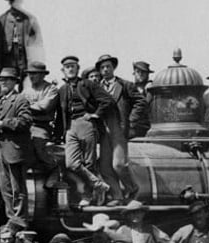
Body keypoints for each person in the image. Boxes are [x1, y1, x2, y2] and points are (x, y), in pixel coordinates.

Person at [58, 55, 113, 206]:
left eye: (73, 66)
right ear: (63, 70)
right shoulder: (62, 89)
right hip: (70, 126)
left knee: (89, 163)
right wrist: (58, 134)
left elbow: (107, 100)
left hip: (86, 123)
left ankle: (87, 196)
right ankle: (98, 184)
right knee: (71, 163)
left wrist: (95, 114)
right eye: (67, 67)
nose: (70, 69)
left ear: (77, 69)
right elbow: (60, 113)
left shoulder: (87, 84)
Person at [95, 54, 143, 203]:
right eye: (102, 67)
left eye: (108, 66)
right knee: (105, 168)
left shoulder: (125, 85)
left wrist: (131, 121)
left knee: (119, 164)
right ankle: (117, 196)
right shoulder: (96, 87)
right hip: (103, 130)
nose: (105, 70)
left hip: (119, 128)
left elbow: (140, 102)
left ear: (113, 67)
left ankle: (133, 189)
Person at [0, 68, 34, 222]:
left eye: (7, 80)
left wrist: (3, 123)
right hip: (2, 151)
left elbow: (25, 121)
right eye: (1, 80)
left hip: (14, 151)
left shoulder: (20, 99)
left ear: (15, 82)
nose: (4, 82)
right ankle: (11, 219)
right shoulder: (2, 100)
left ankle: (20, 220)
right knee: (6, 188)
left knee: (17, 188)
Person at [0, 0, 44, 77]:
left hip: (25, 62)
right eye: (12, 1)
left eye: (17, 0)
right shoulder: (1, 21)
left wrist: (37, 68)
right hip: (6, 63)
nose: (14, 3)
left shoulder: (29, 19)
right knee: (6, 86)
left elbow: (37, 45)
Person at [105, 200, 172, 243]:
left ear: (143, 214)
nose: (135, 215)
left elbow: (166, 242)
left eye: (138, 212)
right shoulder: (123, 229)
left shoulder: (151, 229)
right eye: (132, 213)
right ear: (128, 215)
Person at [22, 62, 60, 173]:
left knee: (39, 145)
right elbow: (18, 106)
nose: (31, 76)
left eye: (35, 73)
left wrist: (27, 106)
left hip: (42, 126)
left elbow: (44, 107)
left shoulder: (50, 89)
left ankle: (54, 170)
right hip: (27, 125)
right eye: (30, 74)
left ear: (43, 75)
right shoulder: (26, 90)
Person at [130, 61, 153, 137]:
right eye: (138, 72)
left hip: (147, 125)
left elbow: (146, 104)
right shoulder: (130, 88)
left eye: (143, 72)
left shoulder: (150, 88)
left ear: (147, 74)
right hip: (133, 124)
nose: (140, 74)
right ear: (134, 73)